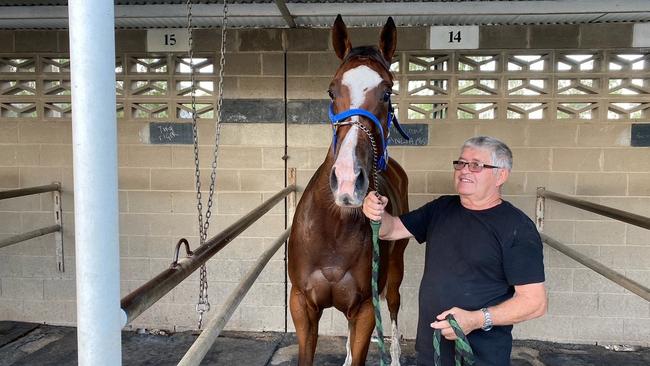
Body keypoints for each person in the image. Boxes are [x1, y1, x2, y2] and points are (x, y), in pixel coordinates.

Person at [362, 136, 547, 366]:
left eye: (476, 165)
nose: (464, 170)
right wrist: (377, 212)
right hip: (431, 353)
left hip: (479, 358)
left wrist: (476, 319)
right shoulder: (442, 208)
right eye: (460, 163)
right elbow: (390, 230)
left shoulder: (517, 227)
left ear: (501, 175)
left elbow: (534, 302)